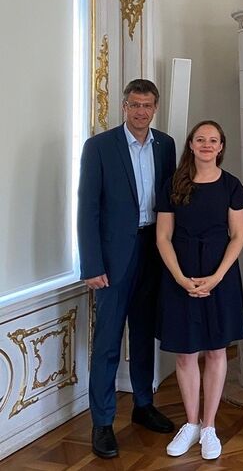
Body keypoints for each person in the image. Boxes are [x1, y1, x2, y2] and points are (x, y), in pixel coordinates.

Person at [77, 79, 176, 459]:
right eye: (134, 104)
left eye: (147, 105)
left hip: (154, 250)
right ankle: (102, 422)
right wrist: (92, 264)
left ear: (155, 108)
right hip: (114, 260)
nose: (141, 112)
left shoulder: (165, 145)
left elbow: (171, 200)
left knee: (144, 334)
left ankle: (143, 404)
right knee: (107, 342)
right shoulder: (99, 147)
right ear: (123, 106)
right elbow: (88, 209)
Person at [155, 120, 243, 460]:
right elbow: (163, 236)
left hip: (219, 276)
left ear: (221, 146)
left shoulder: (232, 186)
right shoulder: (172, 184)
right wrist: (181, 278)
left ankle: (209, 427)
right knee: (184, 353)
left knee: (215, 350)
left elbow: (238, 236)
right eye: (201, 139)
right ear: (191, 145)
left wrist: (217, 276)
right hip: (179, 275)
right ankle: (191, 423)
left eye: (213, 140)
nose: (207, 145)